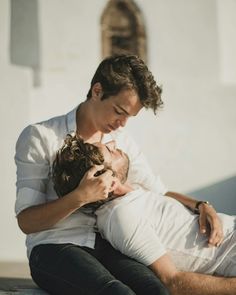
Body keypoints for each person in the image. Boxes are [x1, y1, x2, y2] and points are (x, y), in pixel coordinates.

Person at [15, 54, 222, 295]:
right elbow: (26, 222)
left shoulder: (121, 144)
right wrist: (80, 197)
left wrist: (201, 205)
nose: (122, 124)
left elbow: (159, 192)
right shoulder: (40, 137)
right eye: (118, 111)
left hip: (109, 247)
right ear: (97, 90)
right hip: (54, 247)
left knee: (157, 291)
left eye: (128, 117)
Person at [52, 134, 236, 295]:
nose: (115, 143)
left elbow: (164, 194)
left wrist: (202, 205)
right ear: (109, 182)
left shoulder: (130, 191)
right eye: (110, 150)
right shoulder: (121, 216)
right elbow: (172, 282)